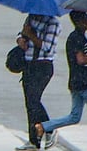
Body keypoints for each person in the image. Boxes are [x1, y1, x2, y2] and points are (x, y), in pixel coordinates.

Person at [36, 11, 87, 151]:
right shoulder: (77, 38)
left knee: (74, 116)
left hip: (76, 84)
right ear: (79, 22)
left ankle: (44, 126)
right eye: (86, 19)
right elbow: (80, 60)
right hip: (86, 84)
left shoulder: (77, 37)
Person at [15, 13, 61, 150]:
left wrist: (31, 35)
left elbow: (47, 47)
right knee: (29, 103)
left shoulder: (53, 23)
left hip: (43, 66)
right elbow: (22, 34)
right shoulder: (30, 18)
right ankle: (33, 140)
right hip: (28, 64)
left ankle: (50, 129)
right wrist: (21, 39)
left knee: (34, 99)